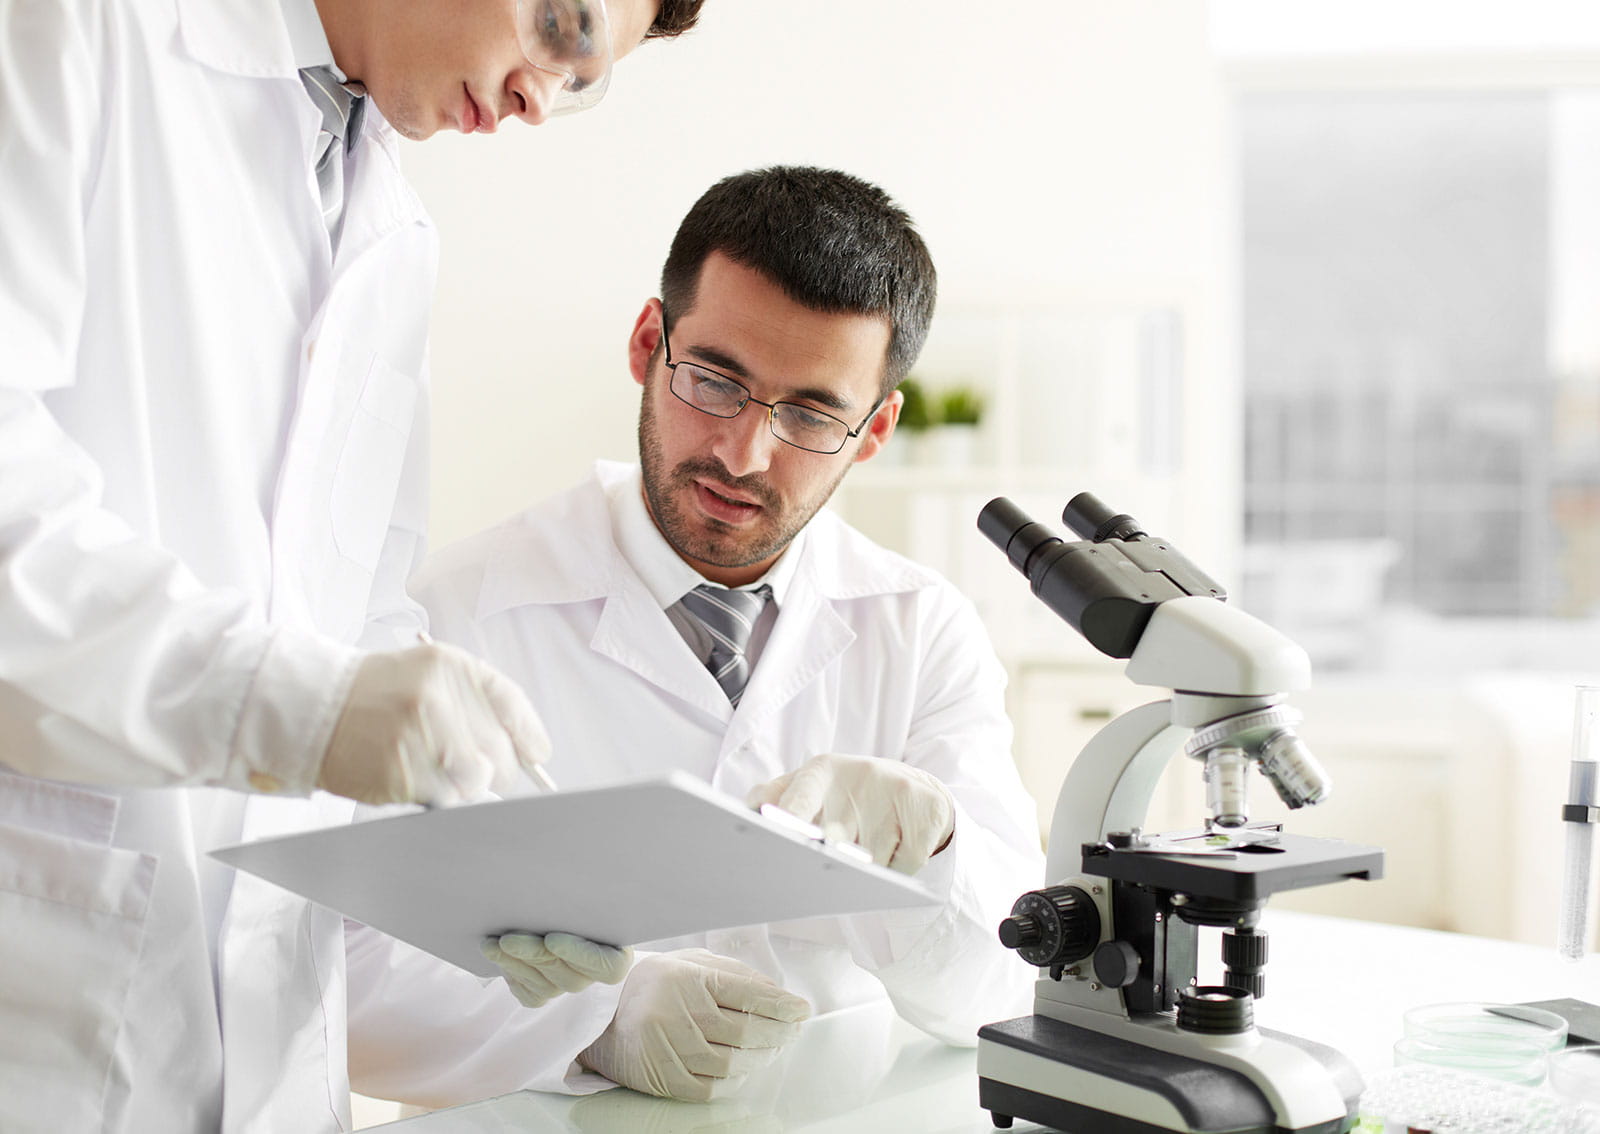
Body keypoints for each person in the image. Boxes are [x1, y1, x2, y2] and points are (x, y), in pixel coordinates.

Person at [0, 1, 702, 1130]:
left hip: (270, 1068)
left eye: (581, 81)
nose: (538, 96)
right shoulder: (81, 29)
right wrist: (301, 707)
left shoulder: (394, 237)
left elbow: (354, 617)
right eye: (561, 26)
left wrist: (493, 877)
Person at [414, 166, 1045, 1103]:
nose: (743, 454)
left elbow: (1001, 998)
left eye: (811, 414)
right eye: (715, 381)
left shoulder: (922, 630)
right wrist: (591, 1025)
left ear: (874, 432)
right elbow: (352, 959)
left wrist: (934, 853)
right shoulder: (460, 610)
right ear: (646, 343)